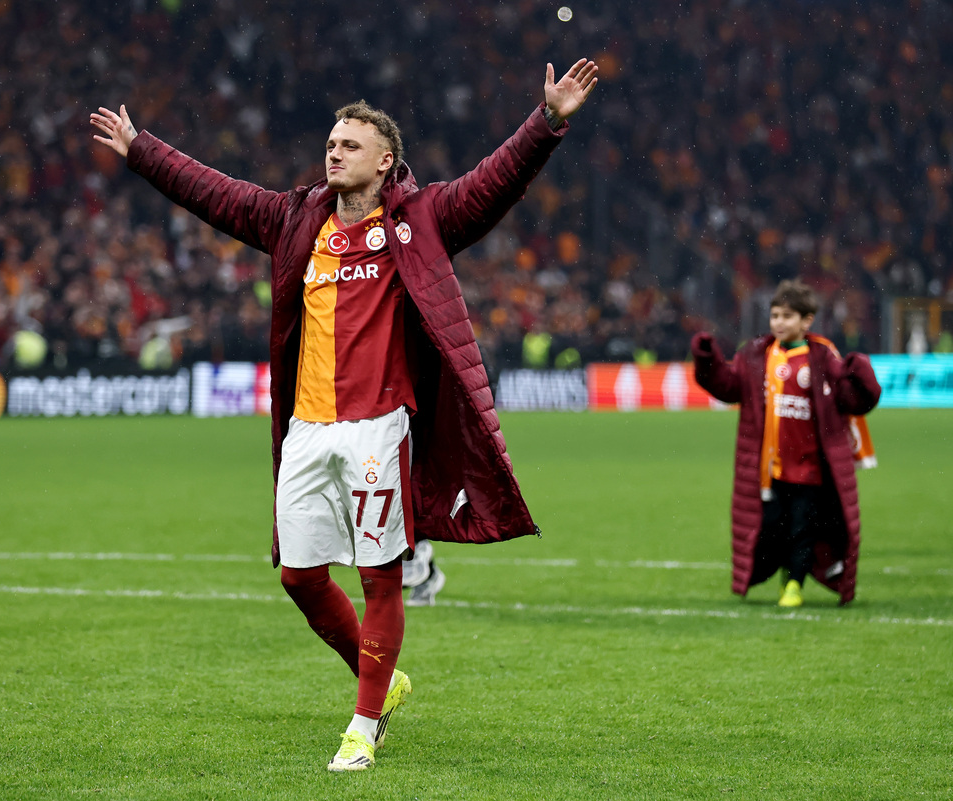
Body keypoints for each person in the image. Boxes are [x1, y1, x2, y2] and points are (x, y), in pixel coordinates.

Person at [92, 58, 598, 771]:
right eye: (330, 142)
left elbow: (494, 183)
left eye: (349, 144)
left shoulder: (420, 219)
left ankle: (364, 723)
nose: (333, 151)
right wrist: (144, 150)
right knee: (298, 577)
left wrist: (545, 123)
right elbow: (217, 195)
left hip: (377, 427)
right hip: (306, 428)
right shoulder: (296, 219)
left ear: (386, 162)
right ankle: (384, 679)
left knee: (379, 575)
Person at [691, 280, 881, 608]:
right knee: (769, 528)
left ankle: (793, 584)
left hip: (811, 467)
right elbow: (728, 386)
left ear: (807, 321)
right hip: (768, 467)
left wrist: (861, 374)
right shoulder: (757, 355)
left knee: (802, 527)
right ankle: (774, 574)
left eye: (788, 316)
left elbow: (851, 400)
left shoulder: (821, 358)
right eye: (775, 315)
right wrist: (707, 360)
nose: (779, 322)